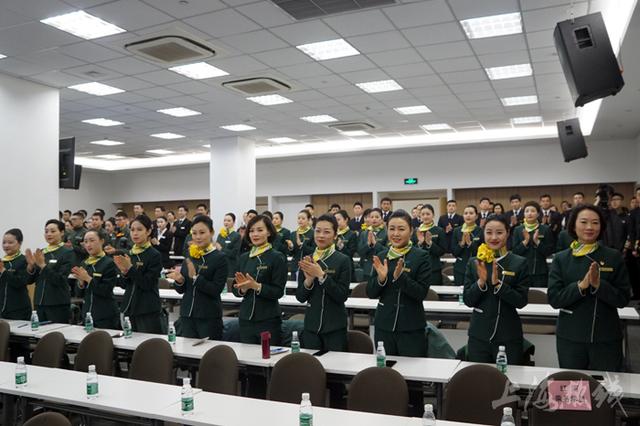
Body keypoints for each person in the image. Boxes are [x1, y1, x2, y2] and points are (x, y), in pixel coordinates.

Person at [548, 205, 631, 371]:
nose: (589, 227)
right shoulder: (561, 259)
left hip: (606, 336)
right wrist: (581, 286)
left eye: (595, 223)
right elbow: (554, 299)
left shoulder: (613, 256)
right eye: (584, 222)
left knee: (607, 390)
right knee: (571, 390)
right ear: (573, 225)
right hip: (570, 336)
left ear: (601, 227)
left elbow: (623, 298)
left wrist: (599, 285)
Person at [463, 216, 529, 364]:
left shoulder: (519, 263)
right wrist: (480, 282)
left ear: (508, 233)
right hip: (479, 334)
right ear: (483, 234)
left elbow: (521, 301)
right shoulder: (474, 263)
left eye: (499, 232)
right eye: (489, 232)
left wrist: (498, 285)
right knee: (478, 379)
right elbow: (467, 300)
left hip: (508, 335)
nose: (493, 237)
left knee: (509, 381)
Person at [367, 210, 430, 356]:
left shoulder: (421, 256)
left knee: (412, 372)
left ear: (411, 230)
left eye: (401, 229)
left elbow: (421, 293)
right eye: (392, 229)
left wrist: (400, 278)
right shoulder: (382, 256)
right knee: (385, 373)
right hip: (384, 325)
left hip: (411, 326)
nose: (396, 233)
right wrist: (381, 279)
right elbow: (370, 292)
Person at [168, 215, 228, 339]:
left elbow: (216, 289)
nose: (198, 237)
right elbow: (181, 290)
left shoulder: (219, 258)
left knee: (209, 355)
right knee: (187, 355)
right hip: (187, 315)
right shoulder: (189, 256)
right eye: (194, 233)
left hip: (208, 316)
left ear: (211, 233)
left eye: (202, 232)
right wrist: (179, 280)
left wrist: (196, 278)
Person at [296, 214, 351, 351]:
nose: (321, 235)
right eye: (318, 231)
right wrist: (308, 281)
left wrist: (321, 276)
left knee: (334, 369)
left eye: (326, 232)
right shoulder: (307, 259)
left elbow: (341, 295)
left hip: (335, 326)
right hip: (311, 326)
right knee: (311, 369)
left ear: (335, 234)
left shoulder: (343, 260)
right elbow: (300, 297)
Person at [233, 215, 287, 344]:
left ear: (269, 232)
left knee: (267, 360)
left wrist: (256, 286)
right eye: (251, 231)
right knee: (248, 359)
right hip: (246, 318)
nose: (255, 234)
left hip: (268, 319)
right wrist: (242, 289)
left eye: (260, 230)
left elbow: (278, 292)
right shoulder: (244, 257)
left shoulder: (277, 257)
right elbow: (235, 289)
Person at [114, 215, 163, 334]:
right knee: (130, 345)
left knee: (148, 346)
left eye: (139, 230)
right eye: (132, 230)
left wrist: (130, 269)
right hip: (129, 306)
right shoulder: (129, 253)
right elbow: (124, 285)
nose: (135, 233)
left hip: (147, 308)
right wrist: (124, 273)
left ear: (149, 231)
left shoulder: (154, 254)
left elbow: (147, 284)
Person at [26, 219, 74, 323]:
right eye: (46, 231)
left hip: (57, 304)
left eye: (53, 231)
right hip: (39, 302)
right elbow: (30, 280)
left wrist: (43, 265)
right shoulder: (42, 252)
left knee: (57, 336)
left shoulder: (67, 252)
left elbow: (60, 279)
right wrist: (30, 267)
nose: (49, 234)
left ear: (62, 233)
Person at [71, 230, 119, 329]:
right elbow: (79, 294)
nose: (88, 244)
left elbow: (105, 291)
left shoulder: (109, 263)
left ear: (101, 241)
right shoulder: (84, 263)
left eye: (92, 240)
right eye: (86, 241)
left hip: (105, 314)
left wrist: (88, 278)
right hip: (87, 313)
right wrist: (80, 282)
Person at [511, 201, 554, 287]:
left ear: (538, 214)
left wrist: (537, 242)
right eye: (527, 211)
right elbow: (515, 252)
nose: (529, 213)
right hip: (522, 271)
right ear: (524, 214)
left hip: (540, 272)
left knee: (540, 298)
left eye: (533, 211)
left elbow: (549, 252)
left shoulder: (545, 229)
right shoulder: (518, 230)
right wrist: (525, 242)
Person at [0, 229, 32, 320]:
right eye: (4, 242)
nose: (6, 245)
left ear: (19, 243)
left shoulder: (24, 260)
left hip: (19, 309)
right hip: (2, 309)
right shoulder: (2, 261)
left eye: (10, 242)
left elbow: (19, 282)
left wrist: (3, 271)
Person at [414, 204, 446, 285]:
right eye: (423, 214)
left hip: (434, 269)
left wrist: (430, 244)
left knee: (434, 295)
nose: (425, 216)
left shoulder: (439, 230)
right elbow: (412, 251)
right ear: (420, 216)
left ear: (433, 215)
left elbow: (442, 251)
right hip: (419, 268)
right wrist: (420, 244)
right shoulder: (416, 231)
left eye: (428, 214)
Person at [452, 206, 483, 285]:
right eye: (466, 213)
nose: (468, 215)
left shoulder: (480, 231)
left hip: (476, 268)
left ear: (476, 216)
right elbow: (454, 253)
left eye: (471, 213)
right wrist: (462, 244)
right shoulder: (457, 231)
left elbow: (481, 253)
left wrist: (470, 243)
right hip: (460, 268)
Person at [357, 208, 388, 281]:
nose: (374, 219)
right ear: (369, 219)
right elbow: (360, 251)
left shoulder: (386, 233)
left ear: (381, 219)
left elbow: (388, 251)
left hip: (382, 268)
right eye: (372, 217)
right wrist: (368, 244)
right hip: (366, 269)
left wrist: (375, 244)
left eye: (377, 217)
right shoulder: (364, 233)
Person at [334, 210, 357, 278]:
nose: (336, 222)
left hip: (347, 266)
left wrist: (341, 247)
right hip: (334, 266)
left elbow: (351, 253)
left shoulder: (352, 234)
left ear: (346, 219)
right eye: (335, 220)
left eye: (338, 219)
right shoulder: (333, 234)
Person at [292, 210, 315, 278]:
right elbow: (291, 253)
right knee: (294, 287)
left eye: (303, 218)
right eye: (299, 218)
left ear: (308, 220)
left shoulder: (313, 233)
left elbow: (314, 250)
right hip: (295, 266)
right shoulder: (293, 233)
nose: (300, 220)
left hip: (308, 266)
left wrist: (302, 245)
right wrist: (291, 247)